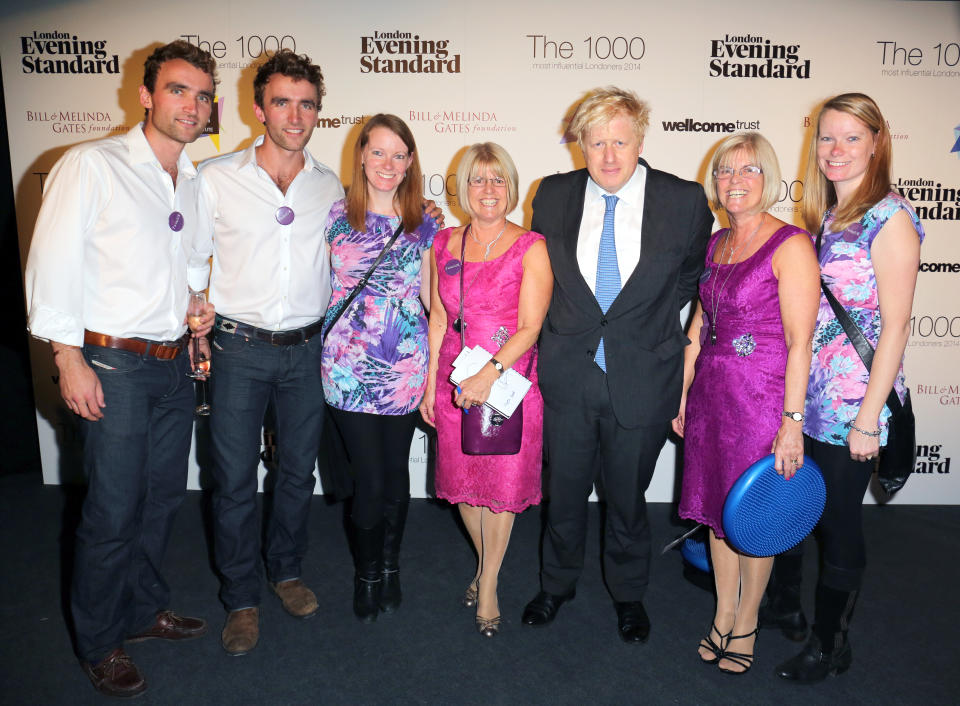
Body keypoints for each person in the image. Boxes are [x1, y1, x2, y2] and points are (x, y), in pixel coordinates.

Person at [24, 40, 217, 698]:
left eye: (200, 93)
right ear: (145, 95)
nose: (191, 104)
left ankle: (140, 610)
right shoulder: (92, 163)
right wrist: (67, 355)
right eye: (177, 90)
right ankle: (99, 640)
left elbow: (189, 268)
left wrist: (199, 309)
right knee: (111, 510)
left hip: (171, 367)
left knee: (162, 499)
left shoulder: (192, 180)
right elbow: (51, 262)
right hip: (111, 363)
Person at [521, 86, 713, 643]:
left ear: (641, 139)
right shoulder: (552, 195)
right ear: (580, 143)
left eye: (620, 141)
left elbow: (691, 277)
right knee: (565, 492)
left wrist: (643, 321)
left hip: (644, 375)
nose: (609, 156)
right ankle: (556, 585)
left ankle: (629, 595)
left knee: (628, 498)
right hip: (568, 372)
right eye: (597, 142)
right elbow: (539, 274)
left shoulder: (684, 200)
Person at [189, 50, 343, 656]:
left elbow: (372, 237)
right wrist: (195, 316)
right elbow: (190, 258)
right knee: (231, 480)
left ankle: (284, 570)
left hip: (306, 351)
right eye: (282, 101)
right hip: (238, 348)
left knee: (297, 473)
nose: (295, 114)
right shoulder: (217, 177)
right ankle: (240, 598)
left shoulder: (330, 186)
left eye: (306, 104)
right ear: (259, 109)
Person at [767, 93, 924, 683]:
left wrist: (868, 418)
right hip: (806, 395)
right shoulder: (828, 215)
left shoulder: (891, 217)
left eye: (851, 138)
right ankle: (786, 602)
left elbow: (896, 326)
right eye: (827, 138)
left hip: (853, 403)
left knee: (838, 523)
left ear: (877, 143)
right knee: (797, 503)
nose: (836, 150)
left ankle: (831, 645)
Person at [672, 133, 820, 674]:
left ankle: (749, 621)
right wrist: (684, 391)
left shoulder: (791, 245)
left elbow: (802, 342)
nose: (735, 181)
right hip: (712, 397)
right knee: (717, 511)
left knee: (753, 517)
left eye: (749, 170)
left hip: (761, 402)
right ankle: (723, 611)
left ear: (769, 178)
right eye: (726, 171)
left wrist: (792, 424)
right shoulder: (716, 243)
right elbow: (699, 325)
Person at [420, 143, 553, 637]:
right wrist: (429, 383)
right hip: (454, 377)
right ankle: (484, 565)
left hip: (509, 380)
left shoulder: (531, 246)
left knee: (499, 490)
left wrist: (489, 373)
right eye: (478, 180)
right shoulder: (444, 244)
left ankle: (490, 581)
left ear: (511, 187)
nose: (489, 190)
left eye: (498, 180)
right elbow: (438, 318)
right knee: (464, 488)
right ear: (463, 189)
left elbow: (530, 327)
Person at [321, 114, 439, 623]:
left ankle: (389, 567)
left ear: (410, 162)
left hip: (404, 369)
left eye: (399, 154)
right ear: (361, 156)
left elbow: (435, 302)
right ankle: (366, 572)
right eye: (378, 152)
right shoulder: (334, 216)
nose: (387, 164)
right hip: (347, 370)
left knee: (395, 478)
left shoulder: (425, 224)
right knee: (368, 479)